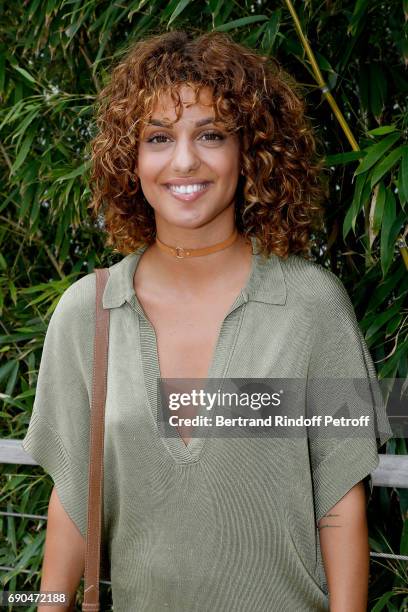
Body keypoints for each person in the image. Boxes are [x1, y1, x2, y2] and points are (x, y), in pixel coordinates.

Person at [22, 30, 393, 612]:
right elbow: (72, 505)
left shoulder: (312, 306)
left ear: (252, 152)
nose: (185, 160)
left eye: (212, 134)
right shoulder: (86, 314)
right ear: (131, 159)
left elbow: (341, 505)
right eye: (158, 138)